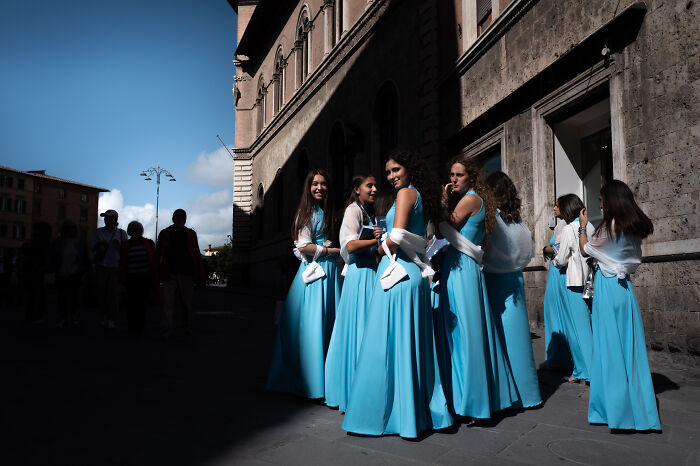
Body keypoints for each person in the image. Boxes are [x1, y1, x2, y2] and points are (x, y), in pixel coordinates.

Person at [342, 150, 452, 439]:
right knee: (408, 344)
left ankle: (390, 415)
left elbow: (399, 235)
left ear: (408, 169)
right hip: (410, 274)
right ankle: (412, 414)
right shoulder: (418, 195)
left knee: (385, 344)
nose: (391, 176)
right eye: (388, 172)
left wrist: (374, 248)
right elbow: (422, 238)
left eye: (395, 170)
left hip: (397, 273)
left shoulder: (405, 194)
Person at [434, 157, 520, 420]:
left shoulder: (470, 199)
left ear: (471, 177)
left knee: (464, 333)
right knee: (469, 331)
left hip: (461, 271)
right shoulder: (473, 199)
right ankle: (472, 397)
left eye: (459, 175)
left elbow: (443, 228)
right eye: (451, 174)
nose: (453, 179)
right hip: (462, 268)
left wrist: (440, 200)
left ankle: (472, 401)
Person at [579, 180, 661, 431]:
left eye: (602, 201)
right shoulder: (631, 228)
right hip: (626, 291)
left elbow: (586, 251)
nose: (601, 206)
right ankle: (639, 410)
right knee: (629, 350)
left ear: (611, 200)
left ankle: (615, 411)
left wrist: (582, 228)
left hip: (608, 287)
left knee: (609, 349)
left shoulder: (609, 228)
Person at [267, 169, 341, 399]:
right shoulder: (306, 212)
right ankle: (312, 384)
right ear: (308, 188)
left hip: (327, 274)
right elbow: (302, 246)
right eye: (315, 184)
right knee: (312, 328)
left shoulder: (324, 211)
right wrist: (331, 251)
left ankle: (323, 381)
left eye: (323, 183)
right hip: (315, 276)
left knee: (326, 325)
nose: (319, 188)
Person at [483, 172, 542, 409]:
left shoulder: (492, 219)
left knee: (497, 335)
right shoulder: (517, 220)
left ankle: (505, 391)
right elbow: (527, 251)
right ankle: (527, 392)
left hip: (493, 278)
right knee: (517, 337)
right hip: (514, 278)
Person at [324, 174, 379, 412]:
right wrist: (376, 239)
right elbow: (349, 246)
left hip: (369, 273)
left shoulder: (366, 212)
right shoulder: (352, 210)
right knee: (358, 329)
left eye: (375, 185)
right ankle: (351, 389)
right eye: (370, 185)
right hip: (359, 274)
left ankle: (360, 386)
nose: (375, 189)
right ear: (357, 189)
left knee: (365, 329)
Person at [552, 194, 594, 383]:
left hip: (573, 280)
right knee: (588, 325)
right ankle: (584, 369)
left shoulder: (569, 229)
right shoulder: (590, 226)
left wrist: (554, 260)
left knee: (576, 328)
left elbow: (561, 259)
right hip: (590, 280)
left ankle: (585, 371)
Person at [156, 209, 205, 340]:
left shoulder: (169, 233)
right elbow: (196, 255)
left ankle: (178, 329)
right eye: (179, 218)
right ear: (175, 219)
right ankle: (176, 329)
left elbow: (196, 254)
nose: (179, 220)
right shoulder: (171, 233)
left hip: (183, 273)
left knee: (180, 304)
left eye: (181, 218)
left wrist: (200, 275)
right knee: (175, 303)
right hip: (175, 273)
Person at [541, 199, 574, 371]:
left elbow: (558, 250)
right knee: (562, 312)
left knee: (554, 311)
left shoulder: (563, 226)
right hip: (562, 271)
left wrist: (546, 248)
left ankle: (558, 358)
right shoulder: (565, 224)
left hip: (557, 270)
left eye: (557, 205)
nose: (553, 208)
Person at [90, 209, 128, 329]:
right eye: (105, 217)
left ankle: (112, 318)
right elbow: (92, 248)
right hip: (101, 265)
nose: (106, 219)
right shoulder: (98, 232)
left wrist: (119, 246)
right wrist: (99, 245)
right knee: (102, 293)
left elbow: (126, 251)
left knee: (114, 295)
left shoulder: (122, 233)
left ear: (115, 219)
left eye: (109, 217)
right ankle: (104, 316)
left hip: (115, 267)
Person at [119, 221, 157, 336]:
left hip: (144, 279)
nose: (135, 231)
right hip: (130, 280)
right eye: (133, 229)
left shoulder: (149, 243)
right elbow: (122, 263)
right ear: (130, 231)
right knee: (131, 305)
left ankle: (139, 327)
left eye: (137, 229)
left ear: (141, 230)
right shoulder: (125, 245)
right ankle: (132, 327)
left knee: (141, 305)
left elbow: (153, 261)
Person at [52, 220, 90, 327]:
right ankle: (64, 317)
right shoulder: (58, 241)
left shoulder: (79, 242)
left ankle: (72, 315)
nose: (70, 229)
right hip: (61, 271)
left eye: (72, 227)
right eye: (68, 227)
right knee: (62, 296)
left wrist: (87, 271)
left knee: (73, 296)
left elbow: (85, 257)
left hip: (75, 272)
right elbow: (53, 255)